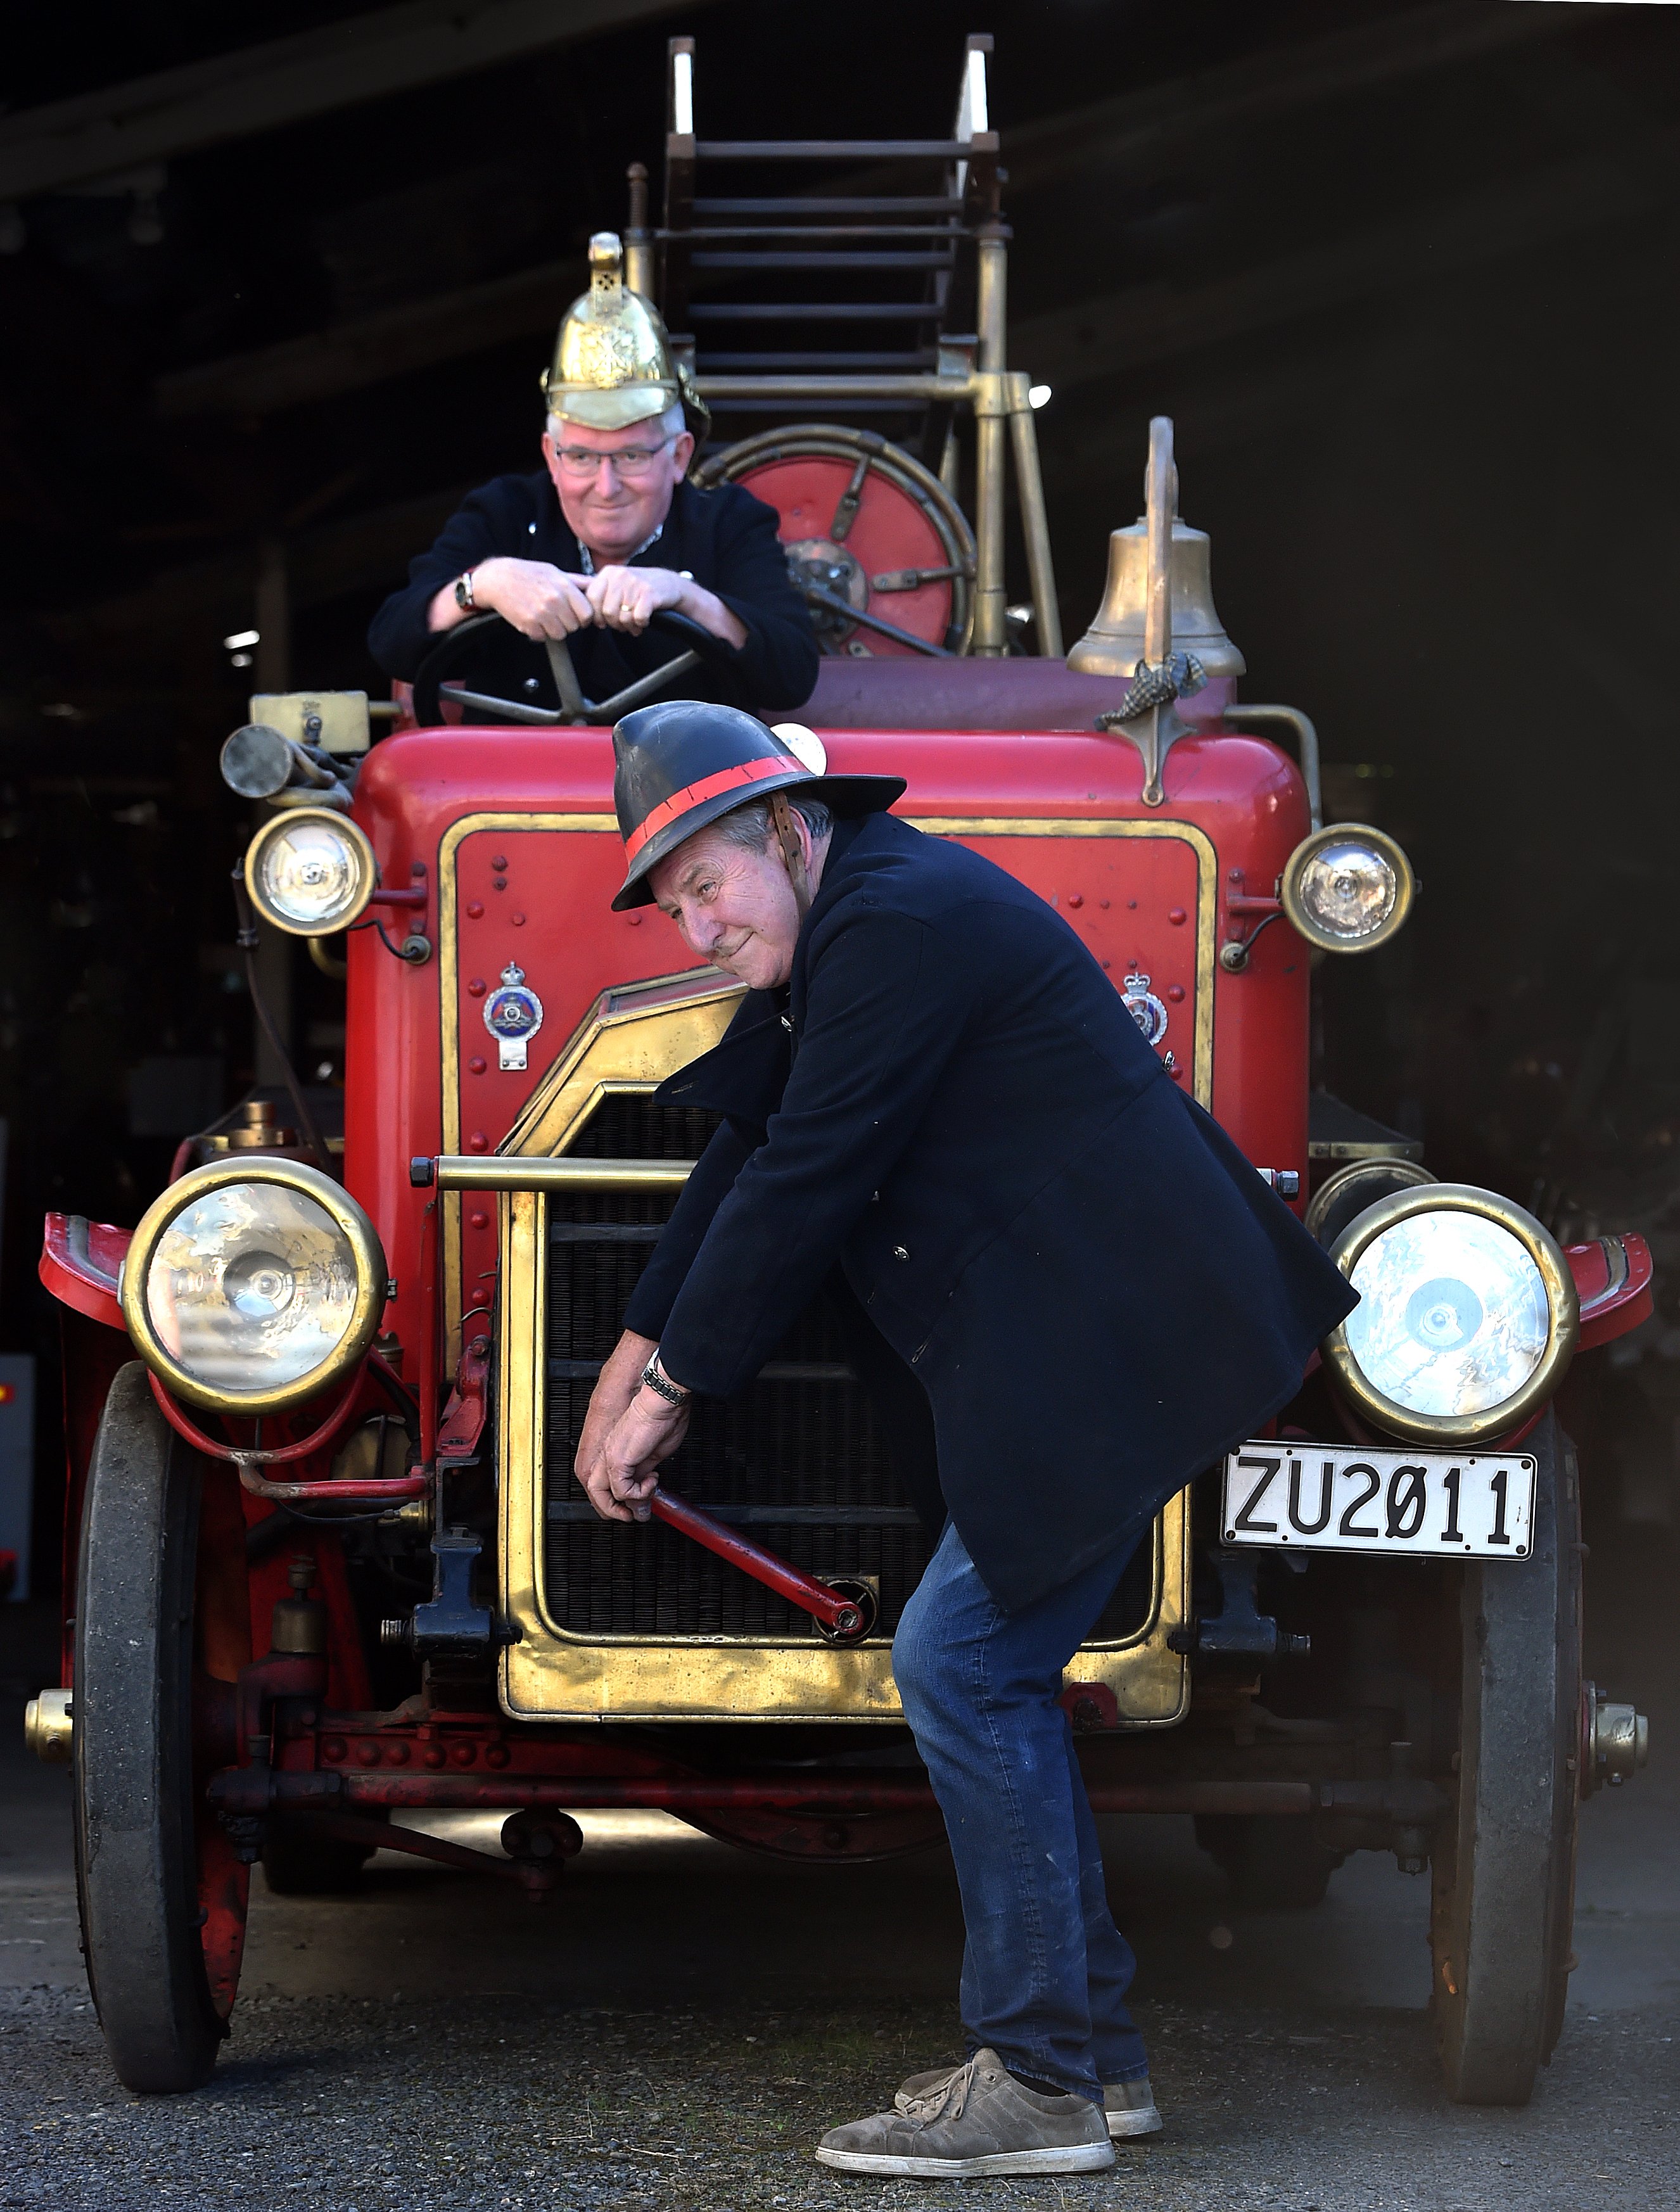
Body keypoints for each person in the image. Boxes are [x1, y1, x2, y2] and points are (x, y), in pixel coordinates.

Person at [573, 701, 1359, 2182]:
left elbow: (811, 1174)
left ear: (788, 830)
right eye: (670, 901)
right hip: (1080, 1342)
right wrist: (624, 1360)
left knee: (959, 1661)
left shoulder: (898, 922)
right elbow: (749, 1139)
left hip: (1124, 1336)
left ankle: (1040, 2079)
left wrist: (669, 1394)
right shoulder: (851, 916)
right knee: (978, 1662)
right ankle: (1094, 2060)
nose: (692, 922)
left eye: (704, 885)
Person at [367, 234, 817, 716]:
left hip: (683, 788)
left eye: (632, 458)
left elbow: (791, 676)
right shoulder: (505, 513)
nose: (606, 487)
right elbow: (391, 643)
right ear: (551, 455)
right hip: (513, 787)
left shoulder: (729, 523)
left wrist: (687, 597)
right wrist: (483, 585)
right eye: (581, 457)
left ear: (680, 456)